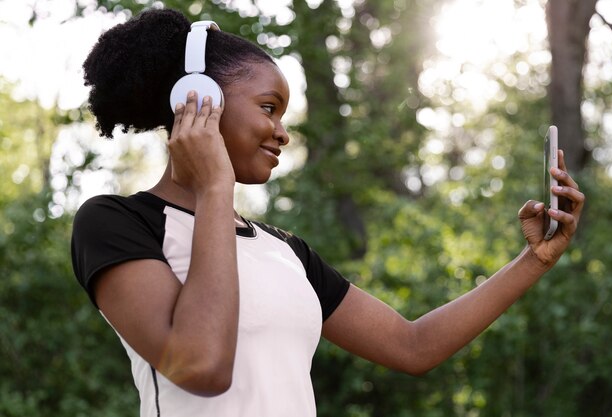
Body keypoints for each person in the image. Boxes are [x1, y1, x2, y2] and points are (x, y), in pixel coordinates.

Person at [71, 8, 585, 417]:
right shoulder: (117, 222)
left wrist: (533, 261)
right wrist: (213, 189)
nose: (282, 132)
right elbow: (201, 365)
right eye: (268, 107)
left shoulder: (285, 251)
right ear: (197, 101)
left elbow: (413, 346)